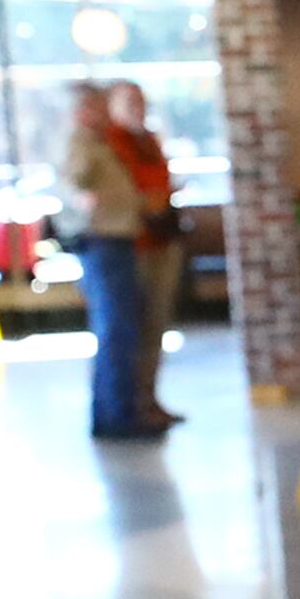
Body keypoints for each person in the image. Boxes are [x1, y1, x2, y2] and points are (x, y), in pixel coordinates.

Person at [56, 81, 161, 442]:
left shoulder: (97, 141)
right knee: (115, 330)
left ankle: (118, 411)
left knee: (121, 328)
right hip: (103, 242)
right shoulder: (80, 141)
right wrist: (82, 198)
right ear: (84, 110)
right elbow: (69, 182)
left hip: (117, 239)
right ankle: (118, 417)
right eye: (101, 106)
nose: (107, 114)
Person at [103, 80, 181, 427]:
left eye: (141, 101)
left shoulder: (148, 140)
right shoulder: (112, 144)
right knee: (130, 329)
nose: (138, 108)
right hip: (131, 247)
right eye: (129, 102)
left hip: (162, 238)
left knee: (155, 327)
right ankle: (130, 406)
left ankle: (149, 399)